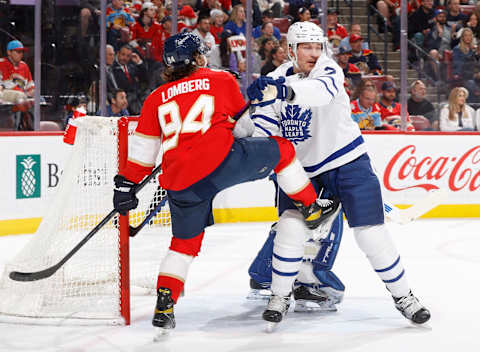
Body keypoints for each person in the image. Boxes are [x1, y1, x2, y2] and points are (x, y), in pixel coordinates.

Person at [112, 32, 339, 333]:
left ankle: (164, 304)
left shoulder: (155, 98)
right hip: (223, 162)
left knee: (183, 245)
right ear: (196, 58)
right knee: (283, 151)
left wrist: (125, 186)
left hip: (180, 180)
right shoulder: (220, 79)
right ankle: (310, 207)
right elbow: (244, 129)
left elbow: (142, 155)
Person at [246, 21, 430, 326]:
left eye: (318, 46)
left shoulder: (327, 69)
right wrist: (249, 120)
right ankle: (279, 296)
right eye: (306, 47)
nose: (314, 53)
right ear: (290, 50)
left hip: (348, 160)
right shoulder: (273, 80)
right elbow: (266, 129)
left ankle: (404, 297)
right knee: (290, 229)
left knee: (371, 234)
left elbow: (318, 93)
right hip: (303, 172)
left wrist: (281, 90)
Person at [110, 44, 148, 115]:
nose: (125, 58)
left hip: (136, 97)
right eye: (123, 54)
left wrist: (139, 62)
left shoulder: (131, 66)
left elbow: (144, 79)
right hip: (125, 98)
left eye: (128, 56)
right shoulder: (112, 68)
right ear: (118, 53)